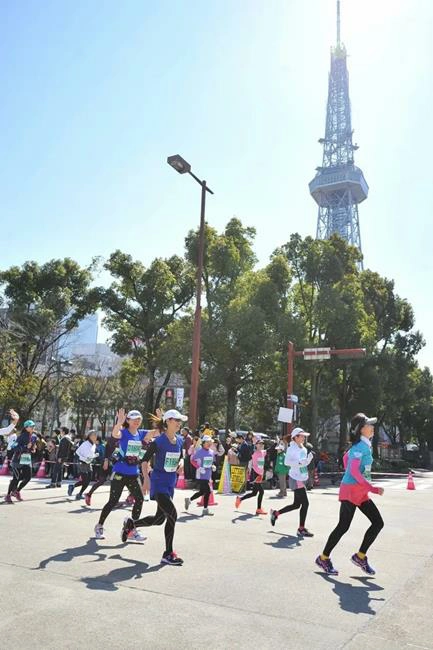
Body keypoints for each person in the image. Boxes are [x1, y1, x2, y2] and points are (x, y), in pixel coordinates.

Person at [315, 413, 384, 576]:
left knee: (377, 523)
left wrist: (363, 484)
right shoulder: (360, 447)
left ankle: (360, 556)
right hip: (351, 490)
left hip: (359, 491)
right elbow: (352, 469)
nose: (372, 428)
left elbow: (346, 459)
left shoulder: (362, 446)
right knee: (343, 526)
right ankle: (323, 558)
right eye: (369, 425)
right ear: (361, 429)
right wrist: (371, 488)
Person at [121, 408, 187, 566]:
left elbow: (182, 457)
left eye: (180, 421)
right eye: (177, 420)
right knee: (173, 515)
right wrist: (146, 480)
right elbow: (144, 460)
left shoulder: (179, 440)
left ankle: (131, 524)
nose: (179, 424)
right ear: (169, 421)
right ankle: (168, 553)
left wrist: (181, 464)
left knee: (159, 519)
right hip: (158, 483)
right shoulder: (159, 441)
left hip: (170, 483)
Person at [94, 409, 155, 540]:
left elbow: (157, 432)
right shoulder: (123, 432)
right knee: (113, 501)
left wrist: (160, 421)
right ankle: (99, 525)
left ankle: (131, 529)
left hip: (134, 473)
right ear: (128, 420)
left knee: (139, 499)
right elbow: (115, 434)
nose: (137, 421)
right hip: (120, 472)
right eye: (134, 418)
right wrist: (119, 423)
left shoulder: (141, 433)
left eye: (139, 418)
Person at [270, 427, 314, 537]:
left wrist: (308, 460)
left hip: (301, 477)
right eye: (302, 436)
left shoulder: (303, 448)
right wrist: (301, 462)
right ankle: (301, 528)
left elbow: (303, 463)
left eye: (304, 436)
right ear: (295, 437)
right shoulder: (291, 448)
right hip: (295, 477)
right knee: (305, 504)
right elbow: (287, 462)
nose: (304, 438)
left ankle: (276, 513)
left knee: (296, 505)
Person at [6, 417, 37, 503]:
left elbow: (33, 445)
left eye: (33, 426)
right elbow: (13, 447)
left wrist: (33, 449)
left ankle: (17, 491)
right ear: (26, 427)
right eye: (31, 426)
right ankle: (8, 495)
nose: (33, 427)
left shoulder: (34, 436)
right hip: (17, 459)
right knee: (16, 478)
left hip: (26, 457)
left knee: (28, 477)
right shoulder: (21, 436)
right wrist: (24, 447)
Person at [235, 438, 267, 515]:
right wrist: (253, 443)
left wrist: (278, 442)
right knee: (261, 492)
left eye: (262, 444)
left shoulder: (263, 452)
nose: (261, 445)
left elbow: (271, 449)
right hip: (256, 474)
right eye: (260, 444)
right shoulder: (254, 453)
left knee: (254, 493)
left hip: (260, 474)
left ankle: (240, 499)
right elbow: (249, 449)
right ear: (256, 445)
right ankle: (259, 509)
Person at [184, 435, 215, 516]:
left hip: (208, 474)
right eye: (207, 442)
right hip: (200, 475)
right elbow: (192, 460)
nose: (209, 444)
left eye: (210, 442)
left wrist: (212, 466)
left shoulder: (211, 452)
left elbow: (211, 462)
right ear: (203, 443)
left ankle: (189, 500)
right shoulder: (199, 452)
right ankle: (205, 509)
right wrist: (199, 467)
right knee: (207, 491)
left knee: (202, 492)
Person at [84, 435, 119, 506]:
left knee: (108, 482)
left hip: (111, 465)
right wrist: (106, 461)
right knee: (108, 482)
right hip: (107, 464)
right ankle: (89, 494)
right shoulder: (111, 443)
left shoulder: (119, 443)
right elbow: (107, 454)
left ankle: (89, 494)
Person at [67, 430, 98, 500]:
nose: (96, 436)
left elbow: (91, 454)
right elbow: (78, 453)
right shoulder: (85, 443)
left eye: (96, 435)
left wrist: (94, 456)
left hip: (88, 463)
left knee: (88, 480)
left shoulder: (94, 445)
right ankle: (79, 493)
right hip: (81, 462)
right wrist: (85, 458)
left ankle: (74, 488)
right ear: (90, 436)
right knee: (85, 480)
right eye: (94, 435)